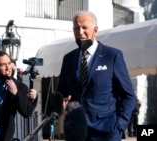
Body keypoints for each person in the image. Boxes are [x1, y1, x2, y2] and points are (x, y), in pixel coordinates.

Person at [57, 11, 136, 141]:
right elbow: (61, 92)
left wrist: (120, 125)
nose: (80, 32)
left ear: (95, 29)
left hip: (107, 132)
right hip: (76, 131)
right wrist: (60, 104)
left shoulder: (112, 56)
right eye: (76, 28)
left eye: (84, 27)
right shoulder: (69, 59)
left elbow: (129, 95)